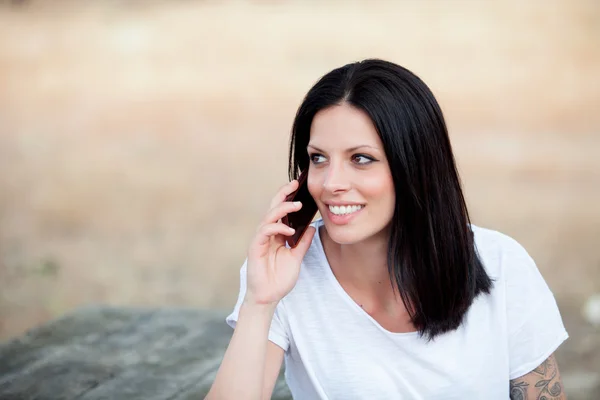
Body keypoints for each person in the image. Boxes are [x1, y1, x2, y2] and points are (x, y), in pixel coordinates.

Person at [206, 59, 568, 399]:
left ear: (416, 165)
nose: (331, 183)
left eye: (360, 159)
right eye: (318, 158)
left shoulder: (502, 265)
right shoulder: (282, 273)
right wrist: (260, 302)